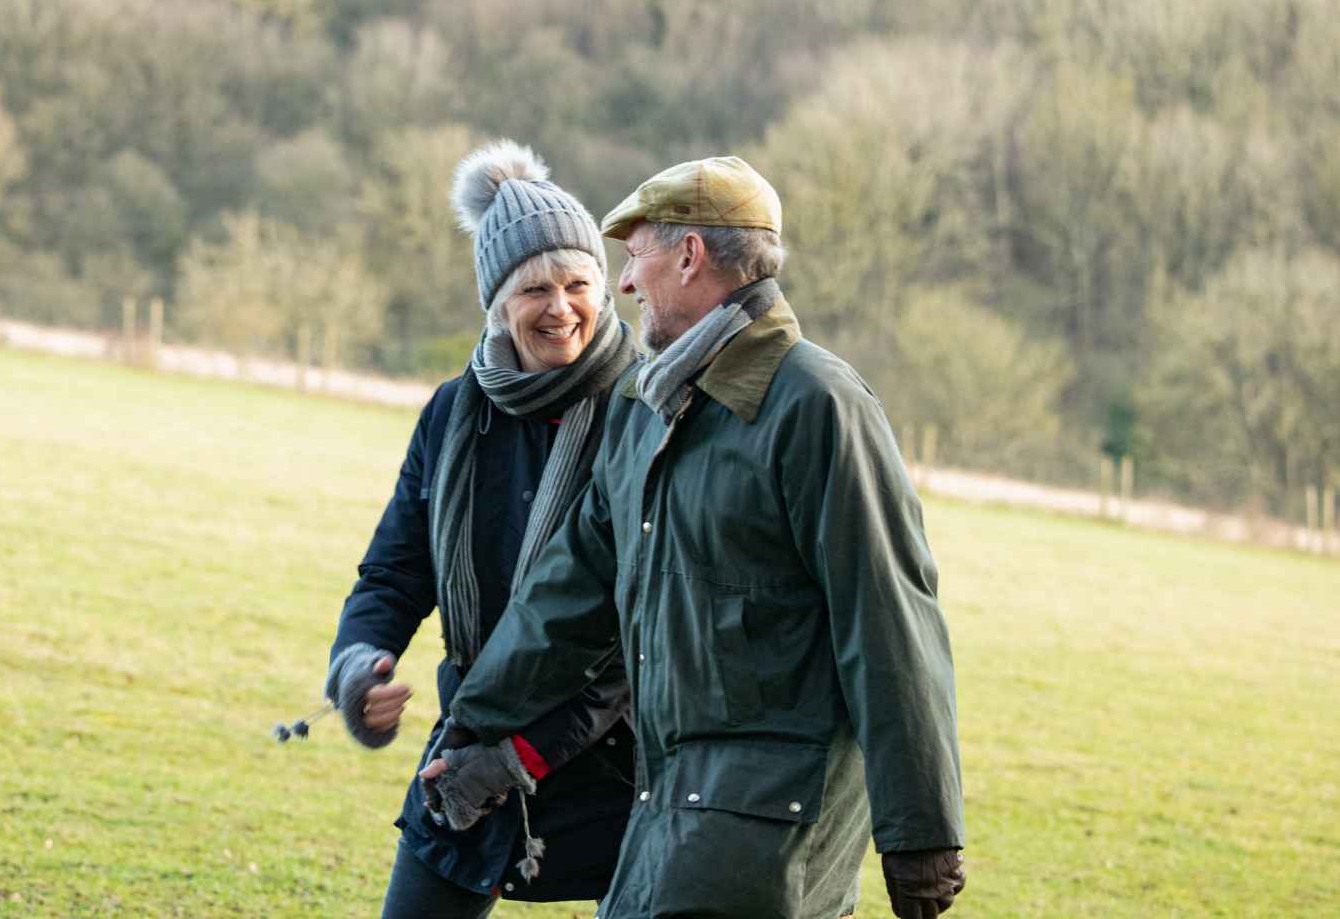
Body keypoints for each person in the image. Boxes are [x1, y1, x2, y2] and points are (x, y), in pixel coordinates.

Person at [434, 156, 967, 918]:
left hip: (775, 818)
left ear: (689, 256)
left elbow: (889, 620)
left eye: (635, 255)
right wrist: (473, 728)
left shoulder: (816, 403)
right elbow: (568, 592)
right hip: (666, 797)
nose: (623, 284)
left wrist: (922, 834)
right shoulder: (644, 403)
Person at [324, 140, 641, 918]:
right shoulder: (453, 413)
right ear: (497, 302)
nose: (561, 308)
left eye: (578, 284)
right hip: (473, 740)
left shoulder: (644, 415)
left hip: (616, 759)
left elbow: (634, 635)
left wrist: (516, 757)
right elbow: (396, 571)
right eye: (535, 288)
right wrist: (359, 664)